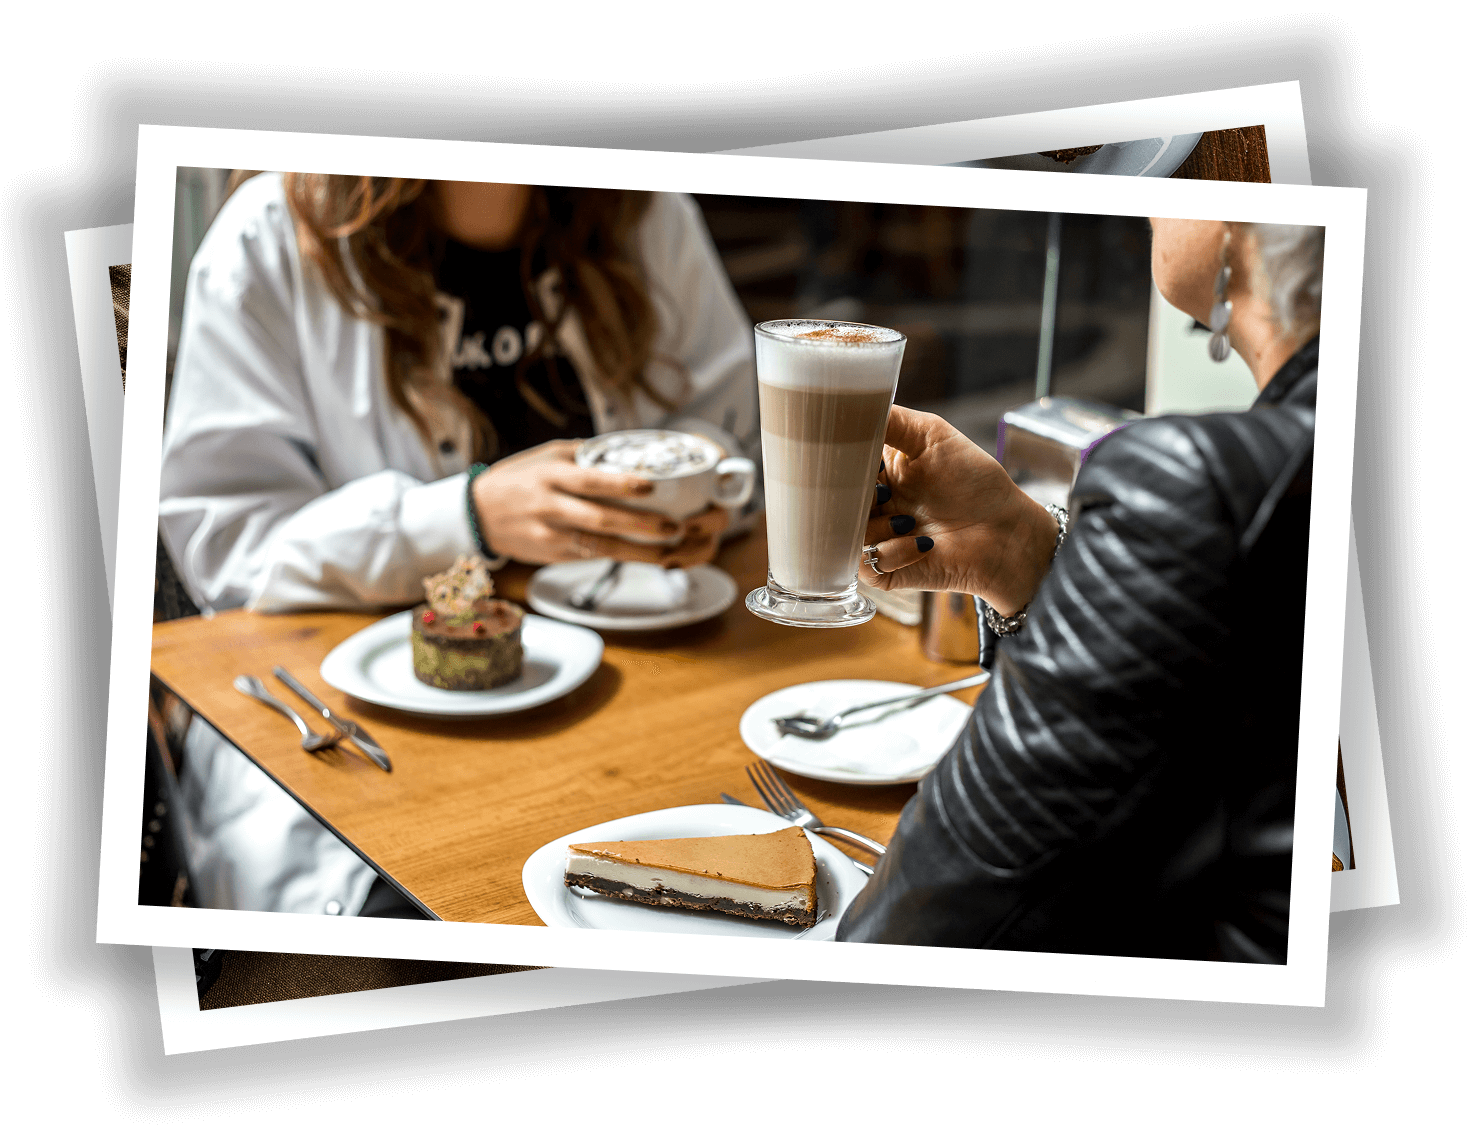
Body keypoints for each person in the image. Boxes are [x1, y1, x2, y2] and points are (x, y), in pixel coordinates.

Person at [159, 173, 759, 916]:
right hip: (378, 734)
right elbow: (228, 545)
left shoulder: (645, 206)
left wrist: (690, 498)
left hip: (644, 693)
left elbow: (733, 428)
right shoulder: (272, 232)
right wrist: (465, 520)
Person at [839, 219, 1322, 962]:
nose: (1157, 213)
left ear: (1246, 231)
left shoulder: (1197, 479)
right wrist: (1025, 554)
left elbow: (919, 926)